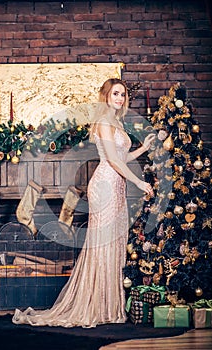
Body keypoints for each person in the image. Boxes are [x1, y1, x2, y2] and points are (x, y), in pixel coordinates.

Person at [12, 78, 155, 328]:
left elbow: (122, 157)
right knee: (103, 245)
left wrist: (143, 149)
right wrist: (141, 183)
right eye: (115, 94)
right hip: (105, 185)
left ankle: (109, 306)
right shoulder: (103, 121)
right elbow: (112, 161)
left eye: (122, 95)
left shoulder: (116, 121)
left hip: (117, 184)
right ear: (106, 96)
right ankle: (97, 306)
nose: (120, 99)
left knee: (114, 243)